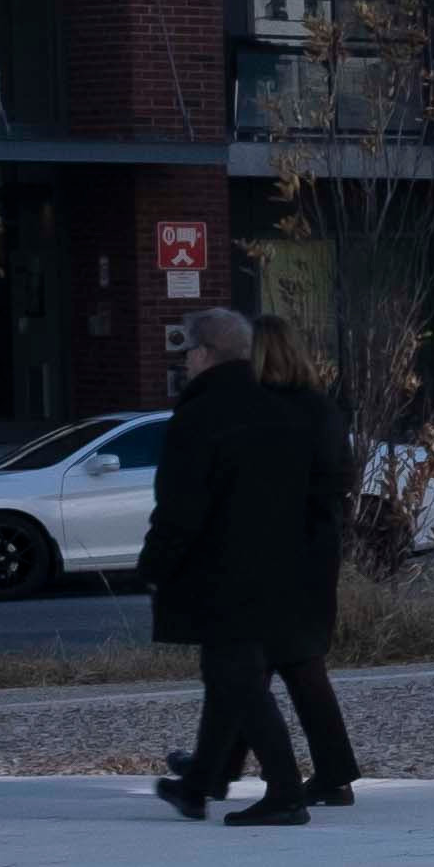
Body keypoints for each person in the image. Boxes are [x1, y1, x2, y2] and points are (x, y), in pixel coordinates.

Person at [138, 306, 334, 825]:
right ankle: (200, 785)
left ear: (203, 354)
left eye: (187, 352)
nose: (185, 362)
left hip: (218, 572)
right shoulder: (281, 409)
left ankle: (286, 793)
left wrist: (155, 563)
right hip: (280, 567)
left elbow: (181, 506)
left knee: (237, 677)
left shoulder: (200, 415)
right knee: (230, 675)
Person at [244, 314, 366, 807]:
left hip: (275, 552)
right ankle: (333, 772)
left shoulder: (266, 411)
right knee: (299, 665)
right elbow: (339, 478)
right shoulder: (324, 410)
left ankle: (216, 770)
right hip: (317, 551)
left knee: (247, 666)